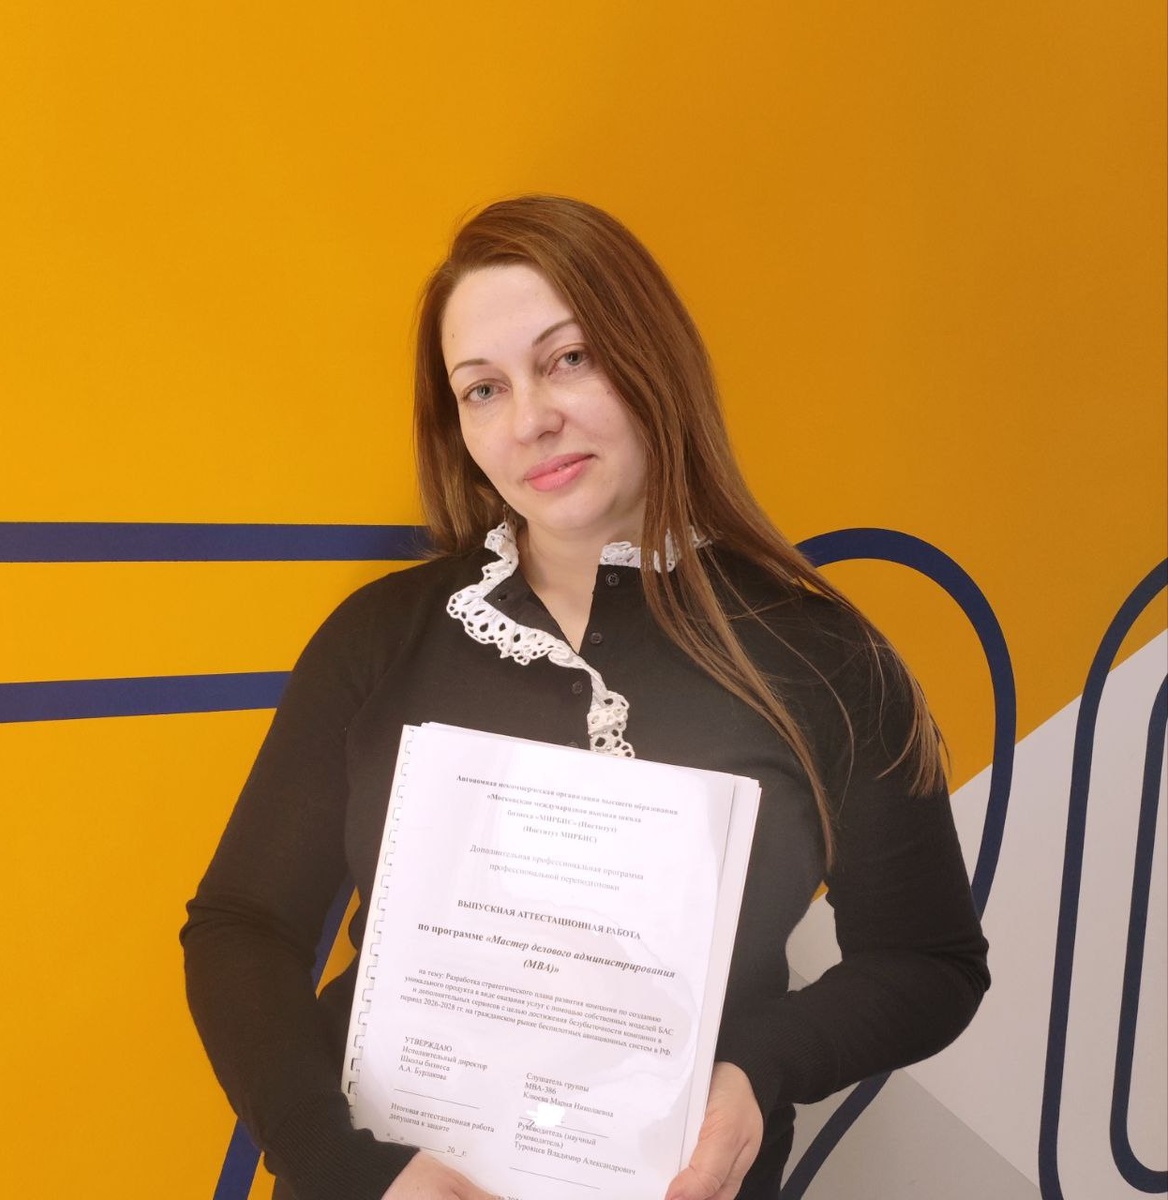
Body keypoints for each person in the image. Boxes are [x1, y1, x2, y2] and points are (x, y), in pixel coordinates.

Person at [182, 195, 989, 1200]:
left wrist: (756, 1070)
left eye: (569, 358)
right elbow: (242, 926)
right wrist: (344, 1167)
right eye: (483, 388)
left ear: (653, 358)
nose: (531, 420)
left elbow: (926, 960)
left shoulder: (822, 657)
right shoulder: (379, 637)